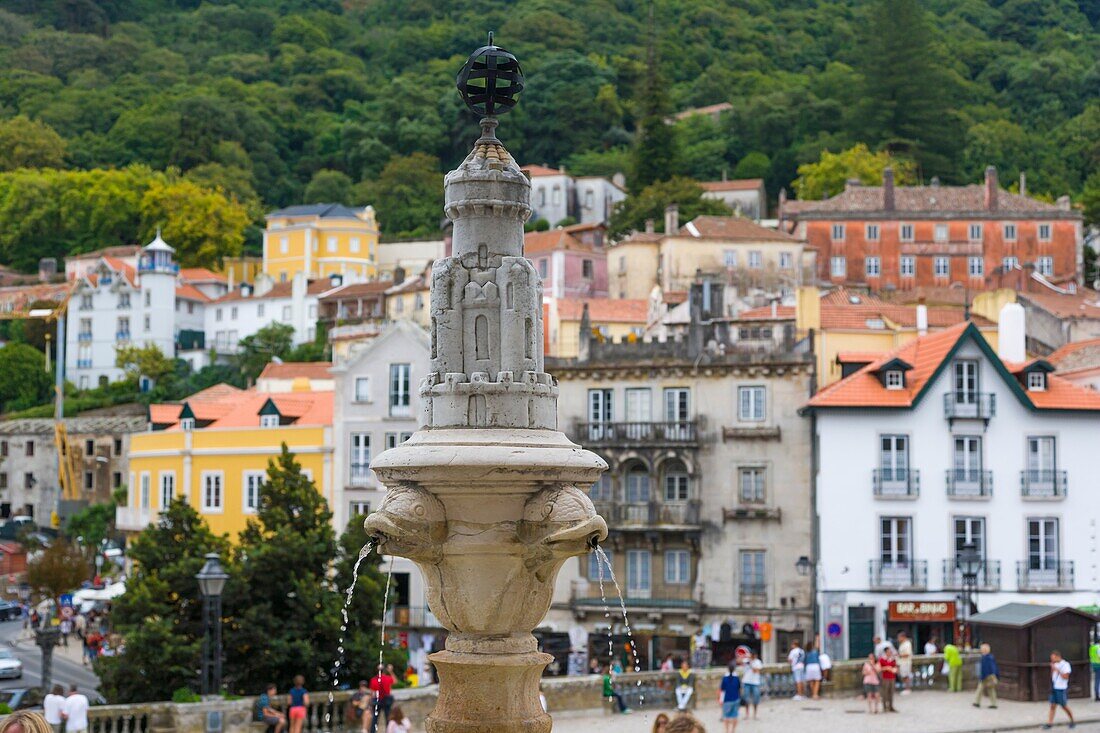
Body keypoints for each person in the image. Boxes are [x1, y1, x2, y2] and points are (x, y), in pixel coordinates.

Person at [1043, 650, 1075, 729]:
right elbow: (1053, 676)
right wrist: (1052, 669)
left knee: (1063, 705)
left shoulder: (1065, 665)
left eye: (1053, 658)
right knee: (1052, 705)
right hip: (1054, 687)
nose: (1052, 660)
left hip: (1061, 688)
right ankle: (1049, 723)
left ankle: (1072, 720)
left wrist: (1057, 670)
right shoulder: (1055, 664)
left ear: (1058, 657)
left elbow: (1066, 677)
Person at [368, 665, 396, 733]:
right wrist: (391, 671)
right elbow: (395, 681)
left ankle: (373, 731)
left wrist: (370, 702)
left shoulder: (373, 680)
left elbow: (372, 693)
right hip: (386, 700)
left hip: (377, 700)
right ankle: (389, 731)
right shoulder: (387, 678)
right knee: (388, 717)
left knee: (375, 718)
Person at [973, 643, 999, 709]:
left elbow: (985, 668)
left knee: (980, 689)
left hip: (986, 676)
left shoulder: (985, 658)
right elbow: (994, 667)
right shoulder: (991, 657)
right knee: (991, 689)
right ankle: (994, 703)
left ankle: (977, 702)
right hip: (991, 675)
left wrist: (982, 676)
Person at [718, 661, 741, 733]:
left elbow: (722, 690)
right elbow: (739, 688)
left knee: (726, 717)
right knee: (735, 716)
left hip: (727, 699)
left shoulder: (725, 678)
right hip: (735, 698)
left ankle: (727, 731)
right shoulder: (736, 678)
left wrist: (720, 699)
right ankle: (733, 731)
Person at [740, 651, 762, 720]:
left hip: (755, 683)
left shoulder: (758, 662)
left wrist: (751, 664)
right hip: (746, 682)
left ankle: (755, 714)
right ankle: (747, 714)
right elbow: (738, 661)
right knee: (746, 699)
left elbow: (756, 670)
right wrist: (745, 657)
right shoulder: (746, 660)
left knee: (756, 699)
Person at [878, 646, 898, 712]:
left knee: (891, 692)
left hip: (892, 677)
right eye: (889, 652)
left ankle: (891, 706)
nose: (890, 653)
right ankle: (884, 707)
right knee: (885, 692)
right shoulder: (882, 659)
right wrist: (886, 668)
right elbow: (879, 669)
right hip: (885, 678)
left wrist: (895, 670)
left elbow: (895, 667)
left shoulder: (892, 659)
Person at [1090, 635, 1100, 702]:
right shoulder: (1099, 647)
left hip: (1094, 665)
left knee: (1096, 680)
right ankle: (1097, 695)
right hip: (1099, 664)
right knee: (1098, 680)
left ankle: (1096, 695)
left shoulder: (1092, 647)